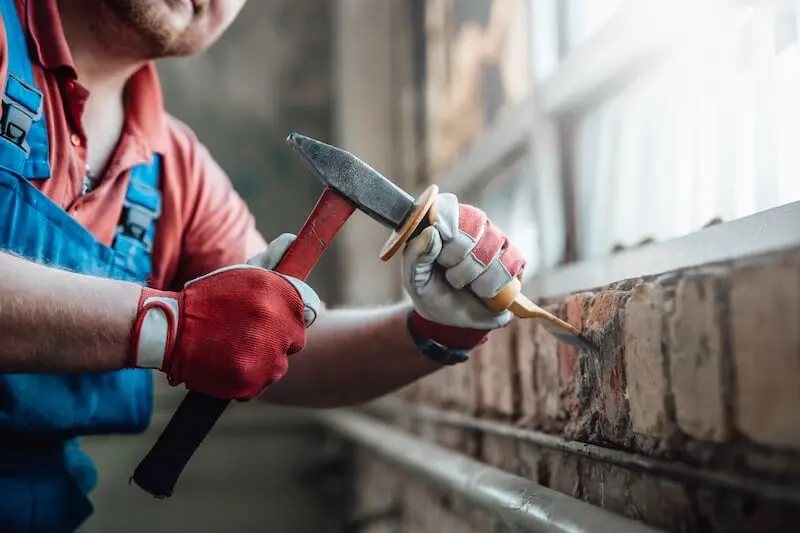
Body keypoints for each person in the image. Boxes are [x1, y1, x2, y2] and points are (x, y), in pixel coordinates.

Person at [0, 0, 527, 531]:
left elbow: (273, 348)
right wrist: (169, 326)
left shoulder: (177, 170)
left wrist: (437, 329)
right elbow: (197, 330)